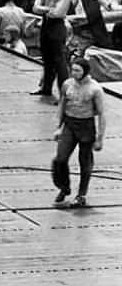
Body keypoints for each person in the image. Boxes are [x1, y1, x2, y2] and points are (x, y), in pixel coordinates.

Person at [53, 54, 106, 207]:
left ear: (85, 72)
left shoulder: (95, 89)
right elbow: (62, 105)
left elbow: (101, 114)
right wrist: (58, 127)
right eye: (73, 70)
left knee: (85, 162)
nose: (74, 73)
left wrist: (100, 138)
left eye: (77, 71)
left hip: (86, 126)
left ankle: (81, 194)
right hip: (70, 124)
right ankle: (64, 187)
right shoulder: (67, 84)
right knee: (60, 159)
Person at [33, 0, 73, 101]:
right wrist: (47, 9)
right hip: (46, 24)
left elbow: (58, 13)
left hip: (57, 26)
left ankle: (64, 94)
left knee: (59, 61)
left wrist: (43, 9)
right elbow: (35, 7)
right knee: (46, 58)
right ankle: (46, 88)